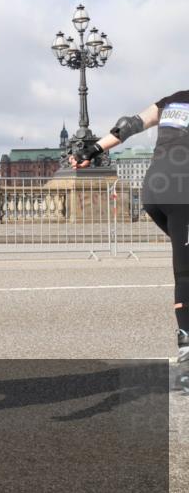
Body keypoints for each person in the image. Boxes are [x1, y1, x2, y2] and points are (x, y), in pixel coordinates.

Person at [71, 89, 189, 374]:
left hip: (155, 189)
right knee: (186, 273)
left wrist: (93, 149)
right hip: (184, 190)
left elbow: (130, 124)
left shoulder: (176, 99)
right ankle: (187, 346)